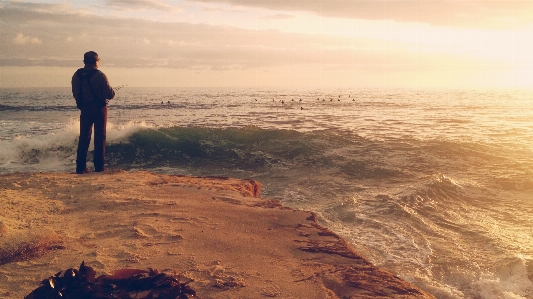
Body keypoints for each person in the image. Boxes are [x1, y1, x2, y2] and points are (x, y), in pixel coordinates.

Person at [71, 51, 115, 174]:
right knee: (100, 137)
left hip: (84, 108)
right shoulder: (100, 75)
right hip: (99, 109)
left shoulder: (77, 75)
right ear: (96, 62)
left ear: (85, 62)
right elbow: (109, 94)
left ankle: (80, 167)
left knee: (84, 137)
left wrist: (81, 104)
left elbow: (75, 93)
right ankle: (99, 166)